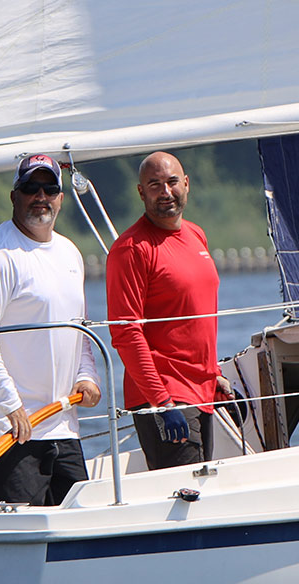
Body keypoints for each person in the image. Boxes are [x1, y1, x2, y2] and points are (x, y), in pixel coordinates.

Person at [0, 153, 101, 506]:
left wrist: (87, 376)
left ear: (61, 198)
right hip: (6, 429)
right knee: (12, 536)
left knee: (77, 526)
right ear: (14, 196)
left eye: (49, 188)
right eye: (30, 188)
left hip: (61, 424)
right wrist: (11, 404)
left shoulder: (70, 253)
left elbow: (78, 329)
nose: (41, 196)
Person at [106, 150, 233, 470]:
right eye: (154, 184)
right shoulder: (131, 250)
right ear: (140, 192)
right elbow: (125, 332)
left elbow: (197, 313)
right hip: (165, 395)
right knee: (184, 494)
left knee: (203, 488)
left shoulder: (196, 234)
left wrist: (213, 373)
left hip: (201, 390)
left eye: (172, 182)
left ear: (186, 184)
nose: (165, 192)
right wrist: (160, 401)